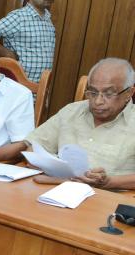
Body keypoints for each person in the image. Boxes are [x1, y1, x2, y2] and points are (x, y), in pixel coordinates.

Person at [25, 58, 135, 190]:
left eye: (109, 93)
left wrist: (109, 182)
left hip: (108, 199)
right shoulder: (71, 112)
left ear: (129, 93)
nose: (98, 101)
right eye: (93, 93)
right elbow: (34, 147)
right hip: (55, 190)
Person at [0, 0, 55, 83]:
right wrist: (7, 54)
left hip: (41, 86)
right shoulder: (19, 17)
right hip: (19, 84)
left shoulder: (47, 19)